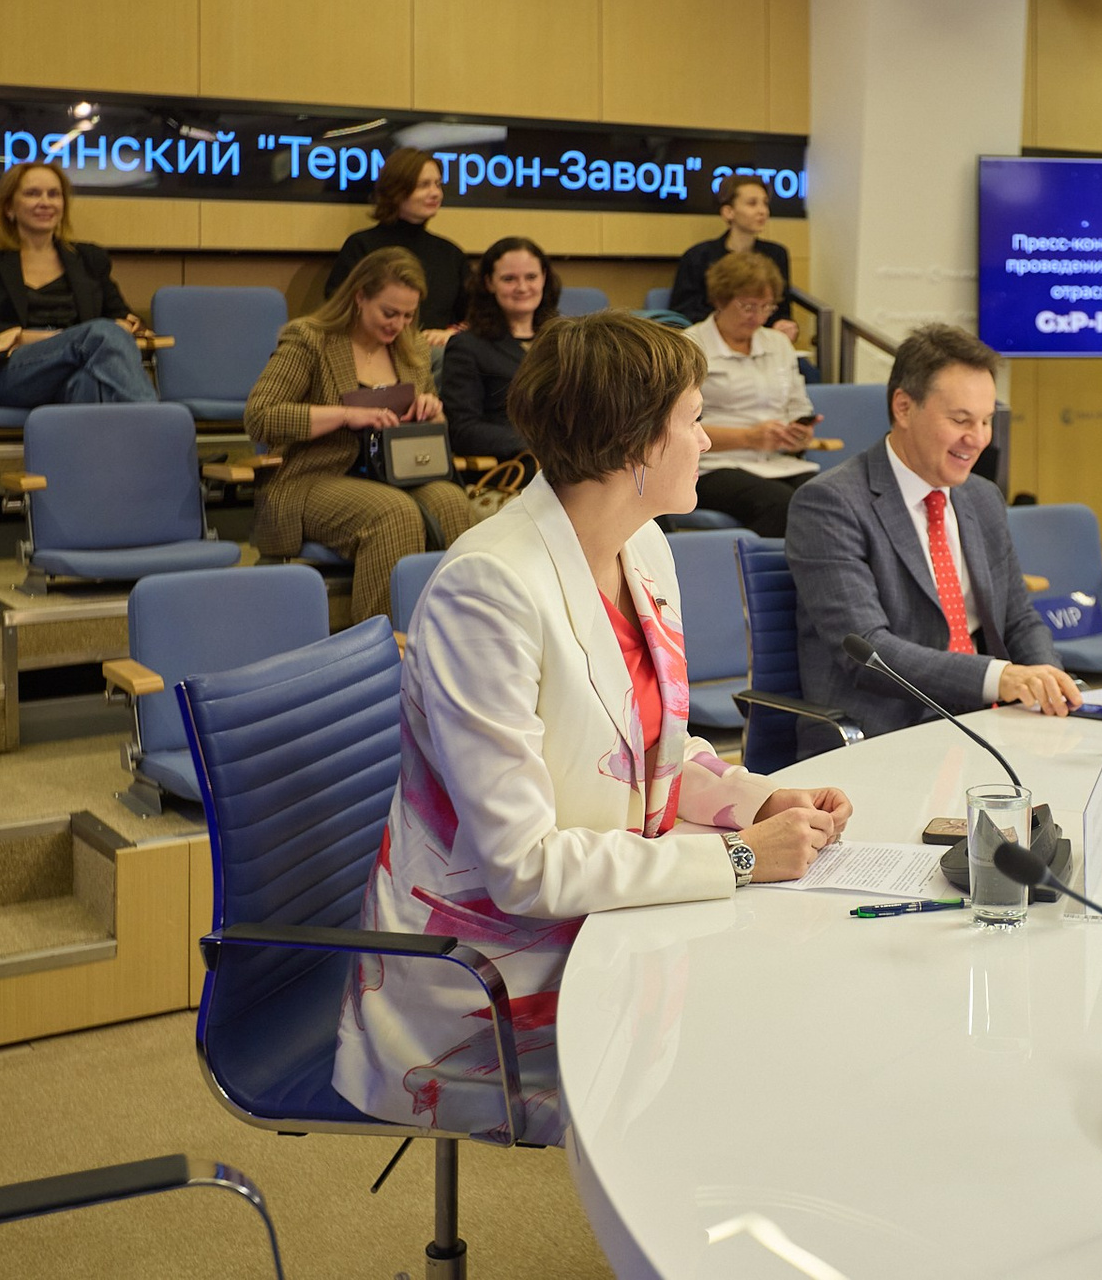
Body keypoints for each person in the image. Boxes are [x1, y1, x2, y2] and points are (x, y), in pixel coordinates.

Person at [332, 311, 851, 1145]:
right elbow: (524, 870)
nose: (706, 441)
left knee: (793, 1014)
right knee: (760, 1064)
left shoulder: (643, 547)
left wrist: (755, 802)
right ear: (635, 443)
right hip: (491, 980)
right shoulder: (489, 589)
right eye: (693, 420)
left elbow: (654, 752)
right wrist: (742, 857)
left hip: (608, 926)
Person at [786, 323, 1081, 750]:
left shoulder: (981, 497)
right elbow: (867, 649)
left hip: (988, 724)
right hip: (882, 736)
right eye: (961, 420)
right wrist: (1001, 677)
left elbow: (1018, 618)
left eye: (986, 420)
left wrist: (1046, 679)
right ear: (904, 408)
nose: (978, 439)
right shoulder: (830, 503)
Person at [243, 247, 469, 622]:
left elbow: (432, 428)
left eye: (408, 315)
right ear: (360, 296)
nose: (398, 325)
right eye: (389, 313)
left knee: (452, 502)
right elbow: (261, 416)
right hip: (311, 477)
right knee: (393, 513)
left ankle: (450, 631)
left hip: (398, 474)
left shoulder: (411, 346)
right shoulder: (310, 339)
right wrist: (345, 415)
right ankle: (383, 645)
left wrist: (433, 411)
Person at [0, 161, 157, 408]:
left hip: (74, 367)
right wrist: (65, 340)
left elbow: (122, 316)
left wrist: (123, 325)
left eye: (54, 194)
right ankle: (155, 421)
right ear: (9, 207)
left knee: (87, 383)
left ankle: (118, 431)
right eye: (32, 194)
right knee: (101, 334)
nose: (45, 202)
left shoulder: (89, 259)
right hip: (7, 372)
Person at [682, 252, 821, 536]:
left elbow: (798, 405)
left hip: (776, 462)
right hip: (712, 465)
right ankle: (752, 564)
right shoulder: (691, 345)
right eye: (747, 306)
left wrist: (799, 433)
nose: (757, 316)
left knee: (825, 499)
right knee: (779, 504)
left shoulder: (778, 344)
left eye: (766, 307)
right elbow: (679, 427)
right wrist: (748, 437)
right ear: (721, 300)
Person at [325, 148, 470, 348]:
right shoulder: (361, 246)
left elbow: (476, 317)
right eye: (424, 185)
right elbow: (340, 311)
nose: (435, 193)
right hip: (374, 350)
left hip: (438, 353)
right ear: (397, 190)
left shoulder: (451, 254)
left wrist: (451, 334)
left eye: (438, 184)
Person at [441, 236, 561, 462]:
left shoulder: (563, 341)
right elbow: (463, 430)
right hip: (512, 463)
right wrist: (540, 446)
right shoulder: (467, 346)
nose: (522, 287)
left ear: (544, 278)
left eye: (531, 277)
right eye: (509, 279)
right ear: (489, 283)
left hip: (573, 461)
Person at [668, 175, 798, 339]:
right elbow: (682, 314)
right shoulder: (697, 256)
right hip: (709, 341)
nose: (763, 211)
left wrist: (784, 326)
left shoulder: (776, 254)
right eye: (752, 203)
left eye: (765, 203)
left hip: (763, 341)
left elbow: (782, 309)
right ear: (728, 212)